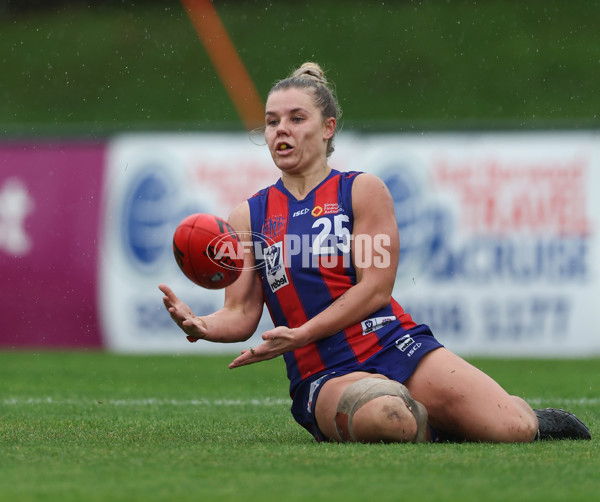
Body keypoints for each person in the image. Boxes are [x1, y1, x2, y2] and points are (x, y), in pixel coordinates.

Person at [159, 62, 591, 444]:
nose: (280, 130)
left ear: (327, 128)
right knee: (388, 419)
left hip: (391, 341)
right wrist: (203, 325)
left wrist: (302, 331)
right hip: (322, 371)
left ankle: (508, 414)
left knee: (514, 430)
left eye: (295, 118)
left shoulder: (361, 191)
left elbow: (376, 290)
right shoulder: (249, 215)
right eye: (272, 122)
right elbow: (241, 313)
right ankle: (418, 417)